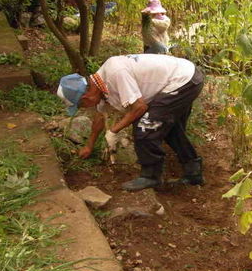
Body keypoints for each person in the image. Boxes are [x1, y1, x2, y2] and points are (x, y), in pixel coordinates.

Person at [57, 54, 204, 191]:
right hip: (184, 78)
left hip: (183, 79)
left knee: (145, 125)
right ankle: (193, 172)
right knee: (165, 126)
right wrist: (89, 146)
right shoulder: (100, 85)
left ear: (86, 97)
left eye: (81, 105)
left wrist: (114, 131)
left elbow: (139, 107)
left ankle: (151, 176)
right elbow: (99, 117)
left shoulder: (115, 73)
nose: (85, 108)